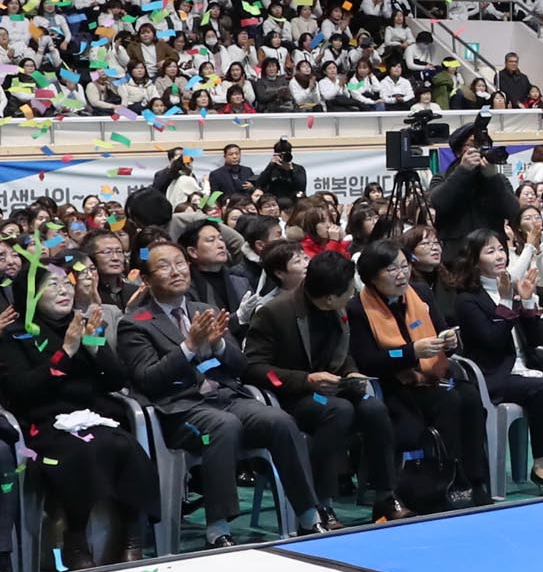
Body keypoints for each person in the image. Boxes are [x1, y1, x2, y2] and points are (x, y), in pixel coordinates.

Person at [117, 242, 332, 544]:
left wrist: (219, 346)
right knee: (222, 427)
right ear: (148, 280)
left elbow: (241, 366)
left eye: (180, 263)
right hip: (181, 413)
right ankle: (218, 528)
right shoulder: (135, 324)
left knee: (280, 421)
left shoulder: (203, 310)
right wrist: (189, 347)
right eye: (164, 266)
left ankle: (310, 516)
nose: (176, 270)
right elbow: (149, 379)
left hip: (227, 398)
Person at [0, 262, 153, 567]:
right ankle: (76, 540)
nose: (64, 291)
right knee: (84, 451)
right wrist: (66, 352)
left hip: (92, 417)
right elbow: (24, 391)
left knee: (126, 446)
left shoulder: (83, 324)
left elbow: (116, 380)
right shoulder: (14, 336)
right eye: (52, 285)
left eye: (66, 284)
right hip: (42, 424)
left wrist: (94, 345)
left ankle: (131, 535)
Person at [245, 251, 411, 523]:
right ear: (330, 297)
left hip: (334, 388)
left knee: (373, 408)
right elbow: (254, 369)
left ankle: (385, 495)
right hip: (296, 397)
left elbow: (341, 354)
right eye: (348, 292)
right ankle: (321, 503)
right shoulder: (275, 313)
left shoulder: (337, 309)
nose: (352, 295)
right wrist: (305, 380)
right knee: (340, 410)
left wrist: (352, 372)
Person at [345, 240, 485, 510]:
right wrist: (410, 353)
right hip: (395, 386)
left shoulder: (421, 293)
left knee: (469, 398)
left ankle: (473, 482)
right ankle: (442, 486)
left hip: (434, 377)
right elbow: (368, 361)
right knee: (451, 401)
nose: (401, 274)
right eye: (391, 270)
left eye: (404, 266)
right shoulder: (358, 308)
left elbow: (443, 333)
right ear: (372, 277)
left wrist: (450, 342)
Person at [444, 231, 543, 491]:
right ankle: (540, 464)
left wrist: (527, 302)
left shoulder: (513, 289)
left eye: (501, 249)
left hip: (522, 367)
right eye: (490, 251)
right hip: (491, 374)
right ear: (474, 260)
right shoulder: (466, 300)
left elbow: (536, 339)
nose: (499, 256)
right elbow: (492, 341)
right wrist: (506, 302)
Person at [429, 118, 522, 246]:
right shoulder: (442, 177)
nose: (478, 150)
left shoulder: (497, 178)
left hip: (492, 250)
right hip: (457, 252)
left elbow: (513, 211)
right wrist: (463, 171)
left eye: (482, 145)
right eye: (472, 145)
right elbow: (438, 203)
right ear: (458, 152)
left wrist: (492, 178)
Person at [181, 218, 255, 313]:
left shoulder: (241, 282)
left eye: (221, 239)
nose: (221, 245)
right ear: (192, 252)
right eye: (211, 240)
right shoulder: (186, 288)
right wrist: (238, 318)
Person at [258, 138, 307, 205]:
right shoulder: (271, 169)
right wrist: (271, 166)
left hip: (293, 203)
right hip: (274, 203)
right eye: (280, 155)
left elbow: (301, 188)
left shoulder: (298, 169)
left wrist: (290, 171)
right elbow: (260, 184)